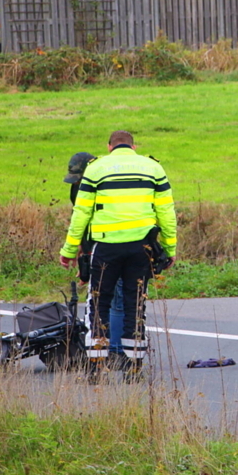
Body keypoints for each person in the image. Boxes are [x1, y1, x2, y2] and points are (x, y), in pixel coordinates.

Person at [58, 131, 177, 381]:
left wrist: (69, 250)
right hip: (140, 248)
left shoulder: (96, 168)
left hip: (105, 247)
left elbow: (81, 213)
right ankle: (134, 369)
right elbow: (166, 211)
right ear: (134, 146)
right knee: (136, 306)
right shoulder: (153, 167)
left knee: (97, 304)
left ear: (109, 146)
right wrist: (169, 248)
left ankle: (96, 369)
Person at [64, 152, 124, 356]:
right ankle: (110, 347)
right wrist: (82, 257)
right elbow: (80, 221)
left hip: (110, 245)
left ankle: (113, 347)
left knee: (116, 299)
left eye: (81, 178)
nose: (79, 183)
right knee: (107, 301)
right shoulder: (77, 189)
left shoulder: (105, 186)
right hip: (97, 248)